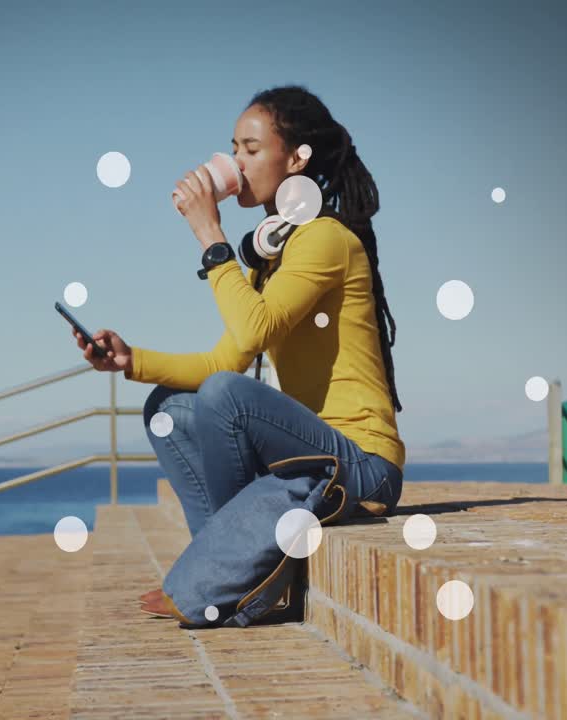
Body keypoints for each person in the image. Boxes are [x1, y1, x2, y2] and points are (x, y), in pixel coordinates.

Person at [70, 84, 405, 628]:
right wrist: (130, 360)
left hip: (362, 465)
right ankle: (221, 567)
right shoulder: (268, 256)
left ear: (297, 159)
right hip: (308, 459)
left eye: (251, 149)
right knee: (169, 409)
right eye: (234, 148)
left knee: (226, 398)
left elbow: (253, 333)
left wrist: (209, 232)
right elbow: (224, 359)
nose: (236, 163)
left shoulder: (325, 239)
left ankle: (221, 576)